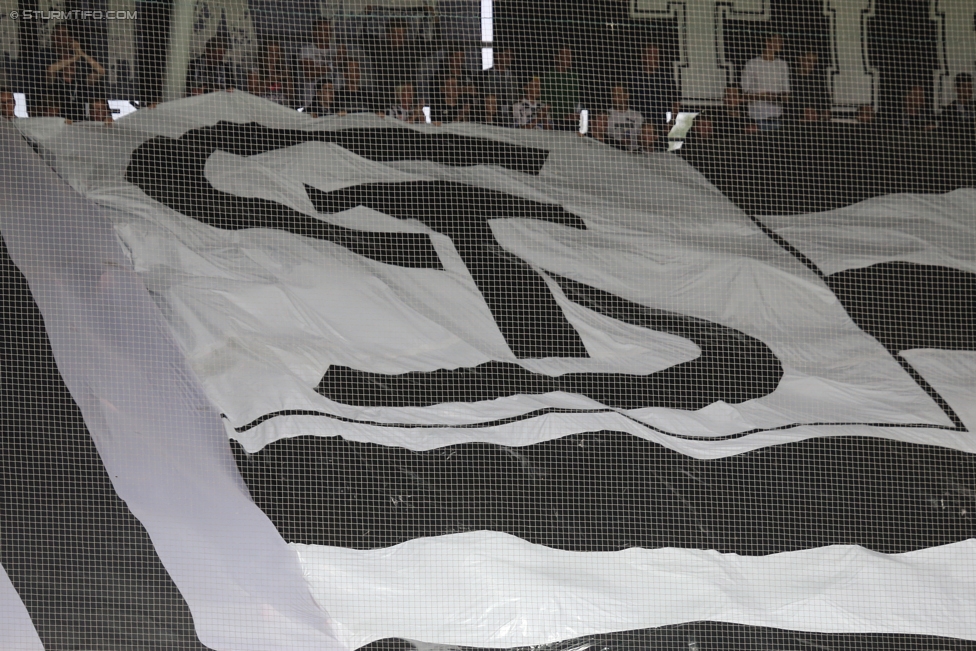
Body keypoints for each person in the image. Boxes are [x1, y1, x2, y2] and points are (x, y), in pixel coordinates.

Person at [362, 11, 441, 112]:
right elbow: (364, 39)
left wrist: (436, 22)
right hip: (385, 103)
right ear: (388, 34)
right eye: (395, 34)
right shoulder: (380, 49)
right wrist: (367, 15)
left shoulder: (411, 49)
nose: (398, 38)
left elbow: (436, 44)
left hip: (408, 105)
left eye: (401, 34)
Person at [46, 24, 106, 122]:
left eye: (73, 63)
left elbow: (101, 71)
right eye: (67, 62)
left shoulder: (80, 81)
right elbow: (50, 70)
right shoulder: (55, 81)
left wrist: (81, 53)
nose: (71, 64)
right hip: (59, 124)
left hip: (79, 127)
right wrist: (74, 58)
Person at [741, 33, 790, 130]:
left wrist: (777, 97)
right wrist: (762, 96)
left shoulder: (783, 65)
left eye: (781, 41)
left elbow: (787, 95)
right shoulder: (752, 64)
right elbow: (743, 95)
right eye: (777, 41)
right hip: (756, 119)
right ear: (768, 42)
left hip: (777, 119)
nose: (780, 44)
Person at [630, 44, 680, 129]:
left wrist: (671, 122)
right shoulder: (634, 77)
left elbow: (675, 102)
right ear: (643, 56)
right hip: (636, 125)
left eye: (656, 54)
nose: (654, 57)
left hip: (659, 125)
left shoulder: (666, 78)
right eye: (650, 54)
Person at [300, 19, 344, 108]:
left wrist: (344, 56)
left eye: (329, 30)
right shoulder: (307, 50)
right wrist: (332, 65)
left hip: (335, 102)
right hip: (313, 101)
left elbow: (349, 68)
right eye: (324, 30)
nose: (328, 33)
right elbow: (309, 73)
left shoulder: (336, 49)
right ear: (315, 32)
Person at [542, 47, 579, 131]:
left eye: (570, 55)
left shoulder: (574, 77)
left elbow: (578, 103)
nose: (569, 58)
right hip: (553, 122)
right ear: (556, 57)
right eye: (565, 55)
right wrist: (546, 122)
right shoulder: (548, 76)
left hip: (572, 123)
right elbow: (543, 103)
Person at [249, 40, 295, 107]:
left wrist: (287, 78)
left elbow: (291, 95)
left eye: (276, 53)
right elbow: (252, 94)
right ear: (264, 53)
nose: (273, 56)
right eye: (270, 53)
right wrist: (271, 79)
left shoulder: (283, 68)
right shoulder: (256, 68)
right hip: (262, 107)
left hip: (282, 107)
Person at [480, 48, 519, 123]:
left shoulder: (513, 77)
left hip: (509, 118)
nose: (510, 58)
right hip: (490, 117)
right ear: (497, 55)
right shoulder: (484, 75)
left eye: (511, 56)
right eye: (507, 55)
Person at [792, 51, 828, 122]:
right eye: (809, 61)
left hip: (815, 121)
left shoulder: (818, 78)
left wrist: (824, 112)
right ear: (800, 59)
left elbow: (825, 98)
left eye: (814, 61)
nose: (811, 64)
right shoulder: (791, 77)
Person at [606, 83, 643, 150]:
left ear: (627, 96)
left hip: (634, 153)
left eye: (618, 95)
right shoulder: (607, 114)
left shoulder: (637, 116)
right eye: (613, 95)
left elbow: (642, 137)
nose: (615, 98)